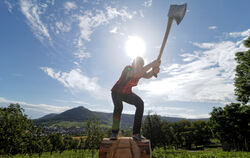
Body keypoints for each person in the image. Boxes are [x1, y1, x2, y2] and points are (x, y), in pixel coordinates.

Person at [110, 56, 161, 141]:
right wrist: (152, 64)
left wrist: (154, 71)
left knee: (140, 103)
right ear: (133, 64)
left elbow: (147, 75)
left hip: (127, 93)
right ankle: (114, 133)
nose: (139, 67)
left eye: (141, 65)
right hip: (117, 92)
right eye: (138, 65)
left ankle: (136, 133)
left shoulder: (140, 72)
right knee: (119, 107)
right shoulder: (128, 69)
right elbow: (136, 74)